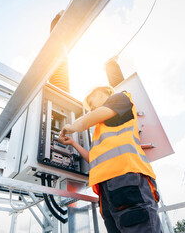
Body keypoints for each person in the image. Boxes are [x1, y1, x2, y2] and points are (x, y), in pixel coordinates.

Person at [59, 85, 161, 232]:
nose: (92, 108)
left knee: (139, 226)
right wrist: (74, 143)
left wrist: (71, 126)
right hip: (108, 187)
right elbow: (95, 160)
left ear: (102, 93)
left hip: (127, 178)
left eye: (92, 103)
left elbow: (84, 122)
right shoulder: (102, 129)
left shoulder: (120, 99)